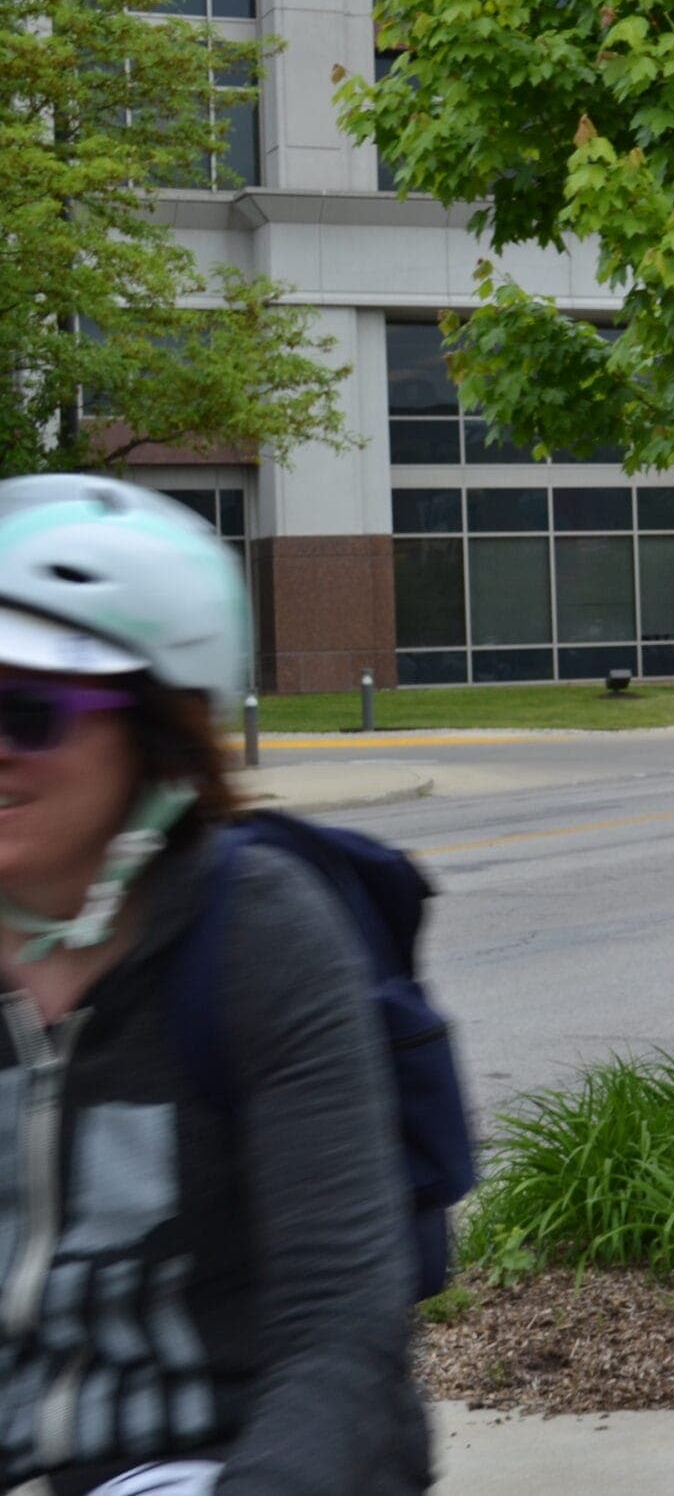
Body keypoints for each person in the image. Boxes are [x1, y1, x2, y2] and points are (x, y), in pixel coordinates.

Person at [0, 475, 431, 1496]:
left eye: (31, 711)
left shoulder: (256, 932)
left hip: (209, 1460)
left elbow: (341, 1329)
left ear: (157, 731)